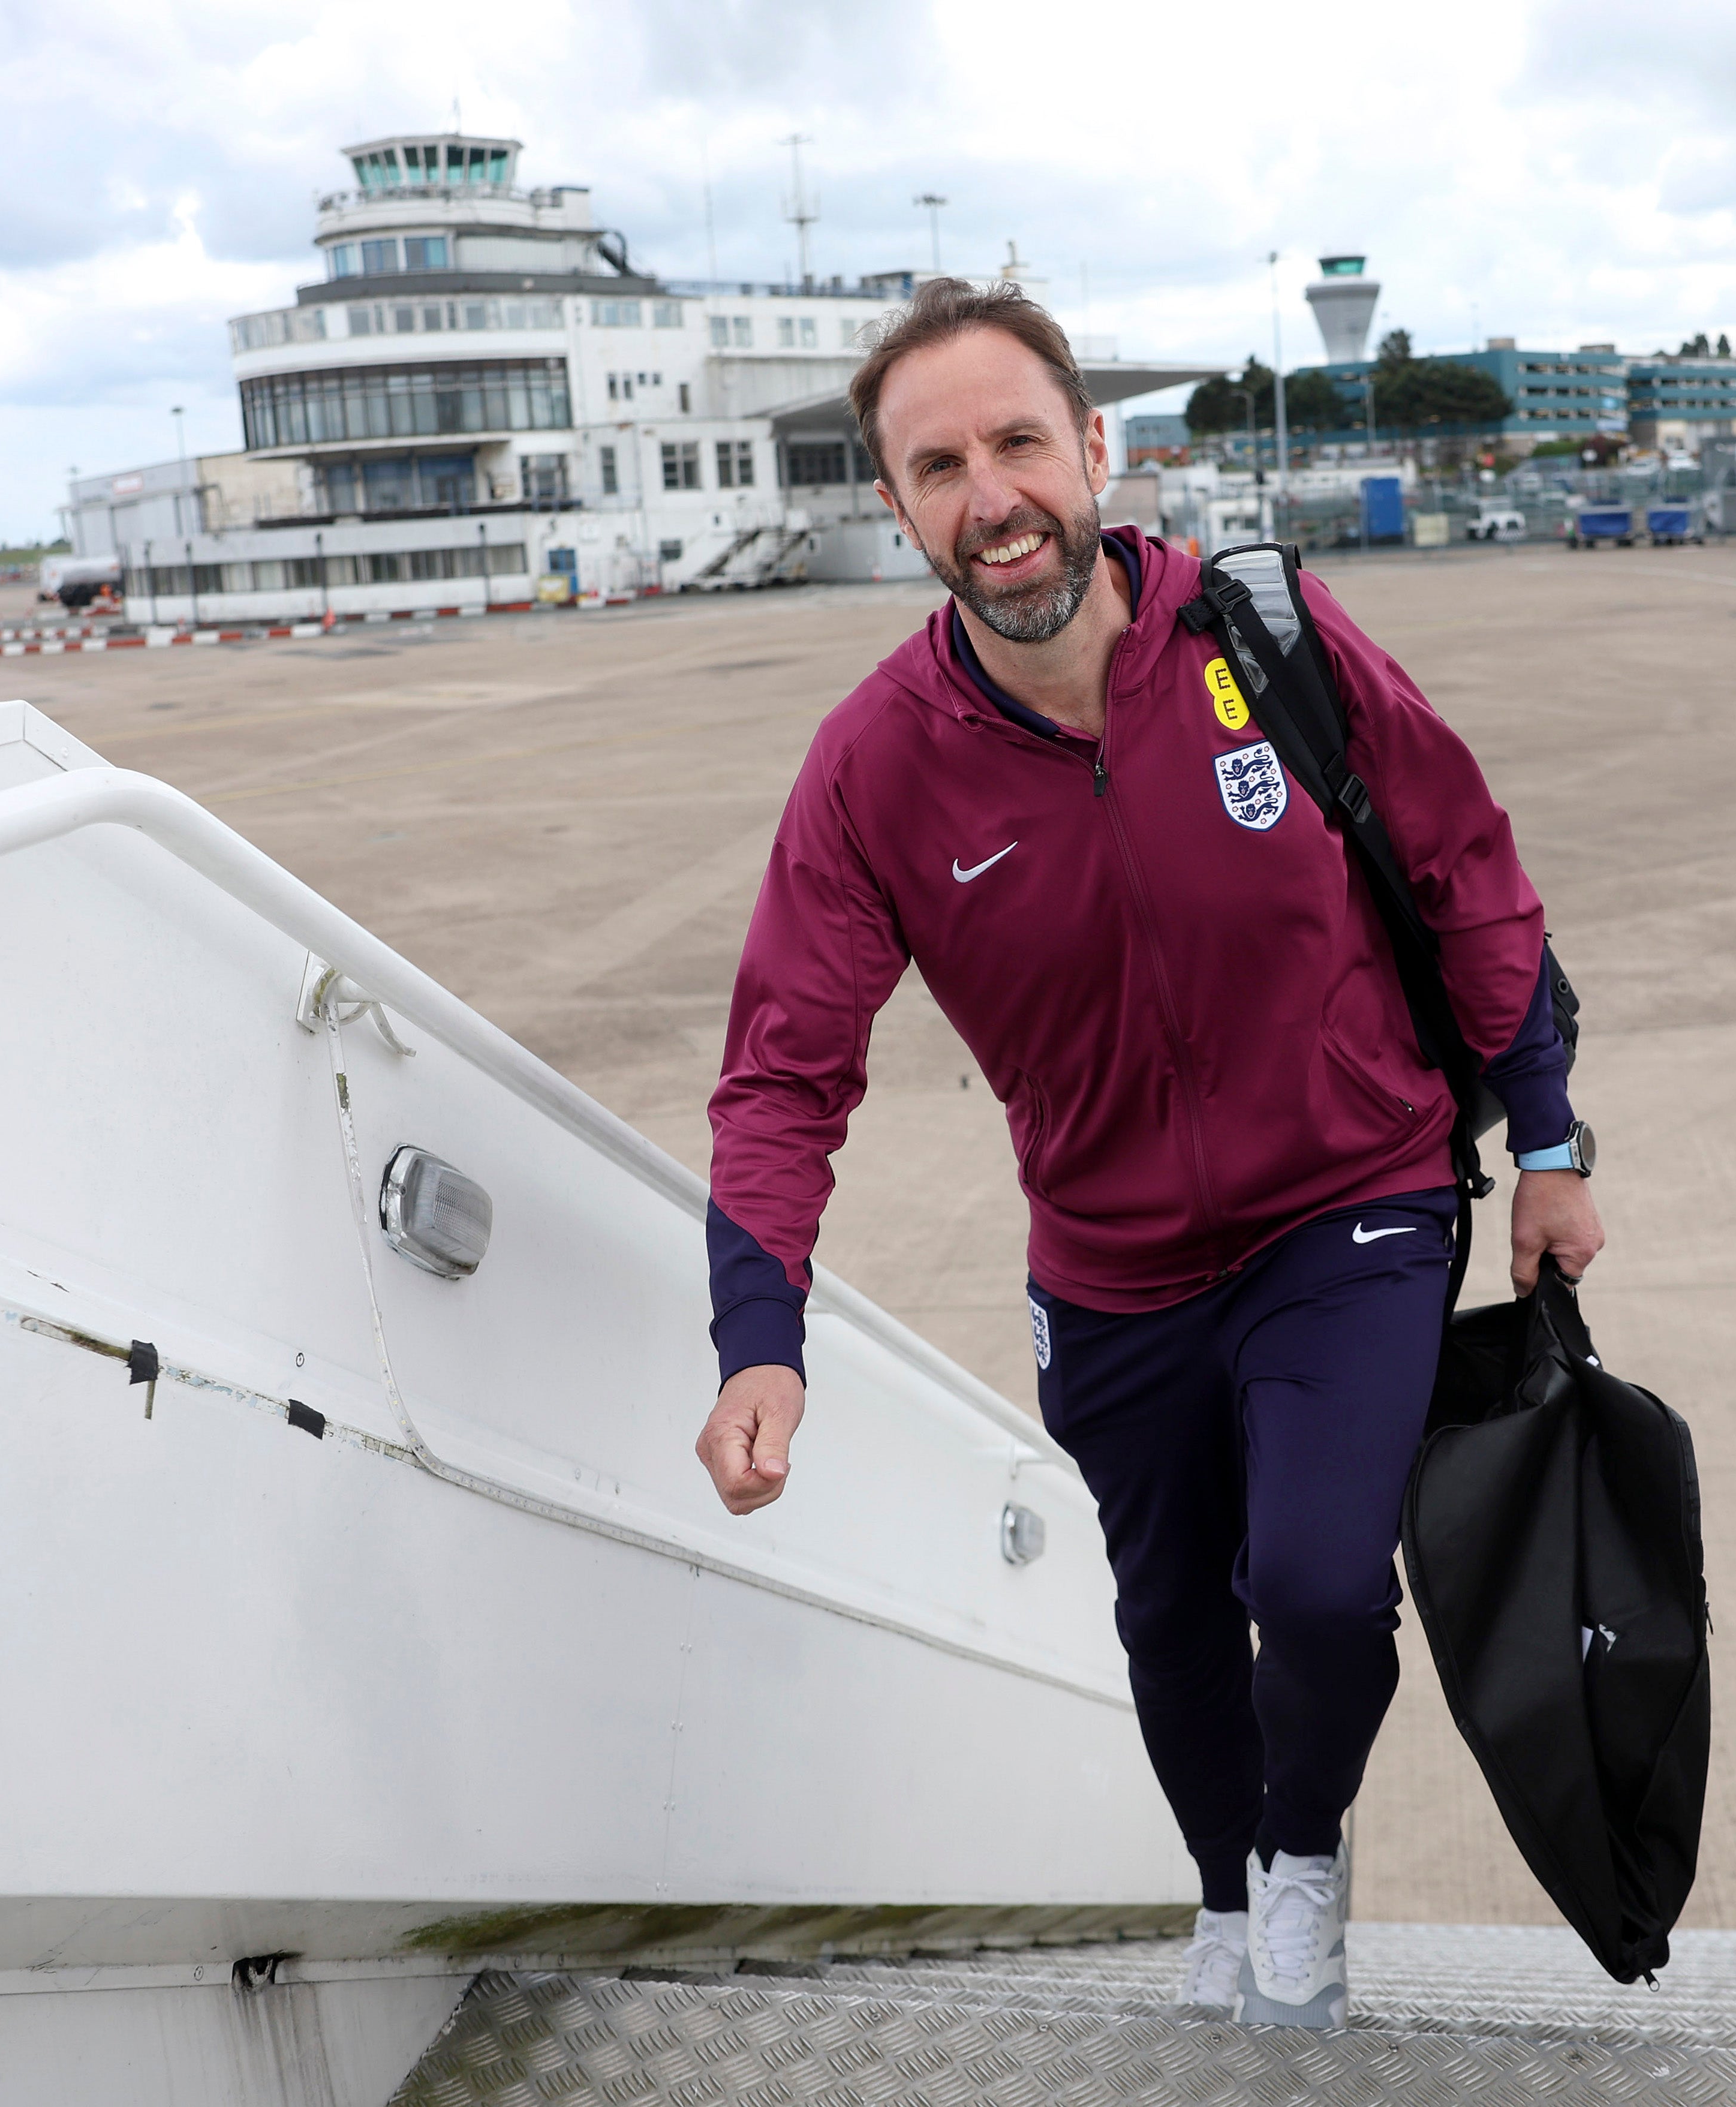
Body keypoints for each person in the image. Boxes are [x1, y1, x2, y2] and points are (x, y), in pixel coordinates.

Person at [691, 279, 1599, 2030]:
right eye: (936, 465)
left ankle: (1301, 1858)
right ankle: (1220, 1885)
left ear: (1091, 450)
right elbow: (781, 1072)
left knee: (1321, 1587)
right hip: (1108, 1270)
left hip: (1352, 1197)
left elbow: (1468, 869)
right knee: (1172, 1620)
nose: (990, 495)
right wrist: (758, 1334)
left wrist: (1545, 1135)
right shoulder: (875, 768)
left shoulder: (1267, 638)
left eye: (1017, 441)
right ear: (897, 508)